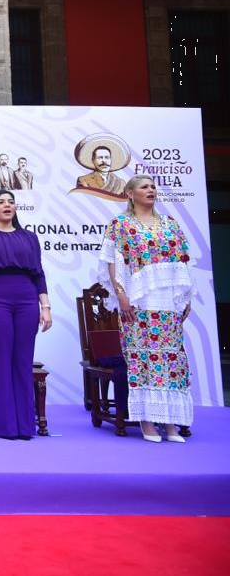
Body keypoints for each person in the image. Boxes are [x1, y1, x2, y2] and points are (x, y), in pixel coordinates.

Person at [98, 175, 195, 443]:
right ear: (130, 194)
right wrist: (121, 295)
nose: (151, 190)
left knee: (171, 359)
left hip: (168, 302)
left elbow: (183, 262)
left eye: (153, 186)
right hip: (139, 302)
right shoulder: (121, 225)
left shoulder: (170, 224)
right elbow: (112, 262)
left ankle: (171, 422)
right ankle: (147, 420)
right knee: (143, 357)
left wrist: (186, 298)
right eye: (144, 187)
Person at [0, 189, 52, 440]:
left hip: (26, 298)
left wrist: (45, 307)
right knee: (2, 358)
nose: (7, 205)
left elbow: (39, 273)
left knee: (23, 359)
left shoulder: (29, 237)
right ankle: (4, 426)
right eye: (1, 202)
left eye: (11, 202)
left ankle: (25, 426)